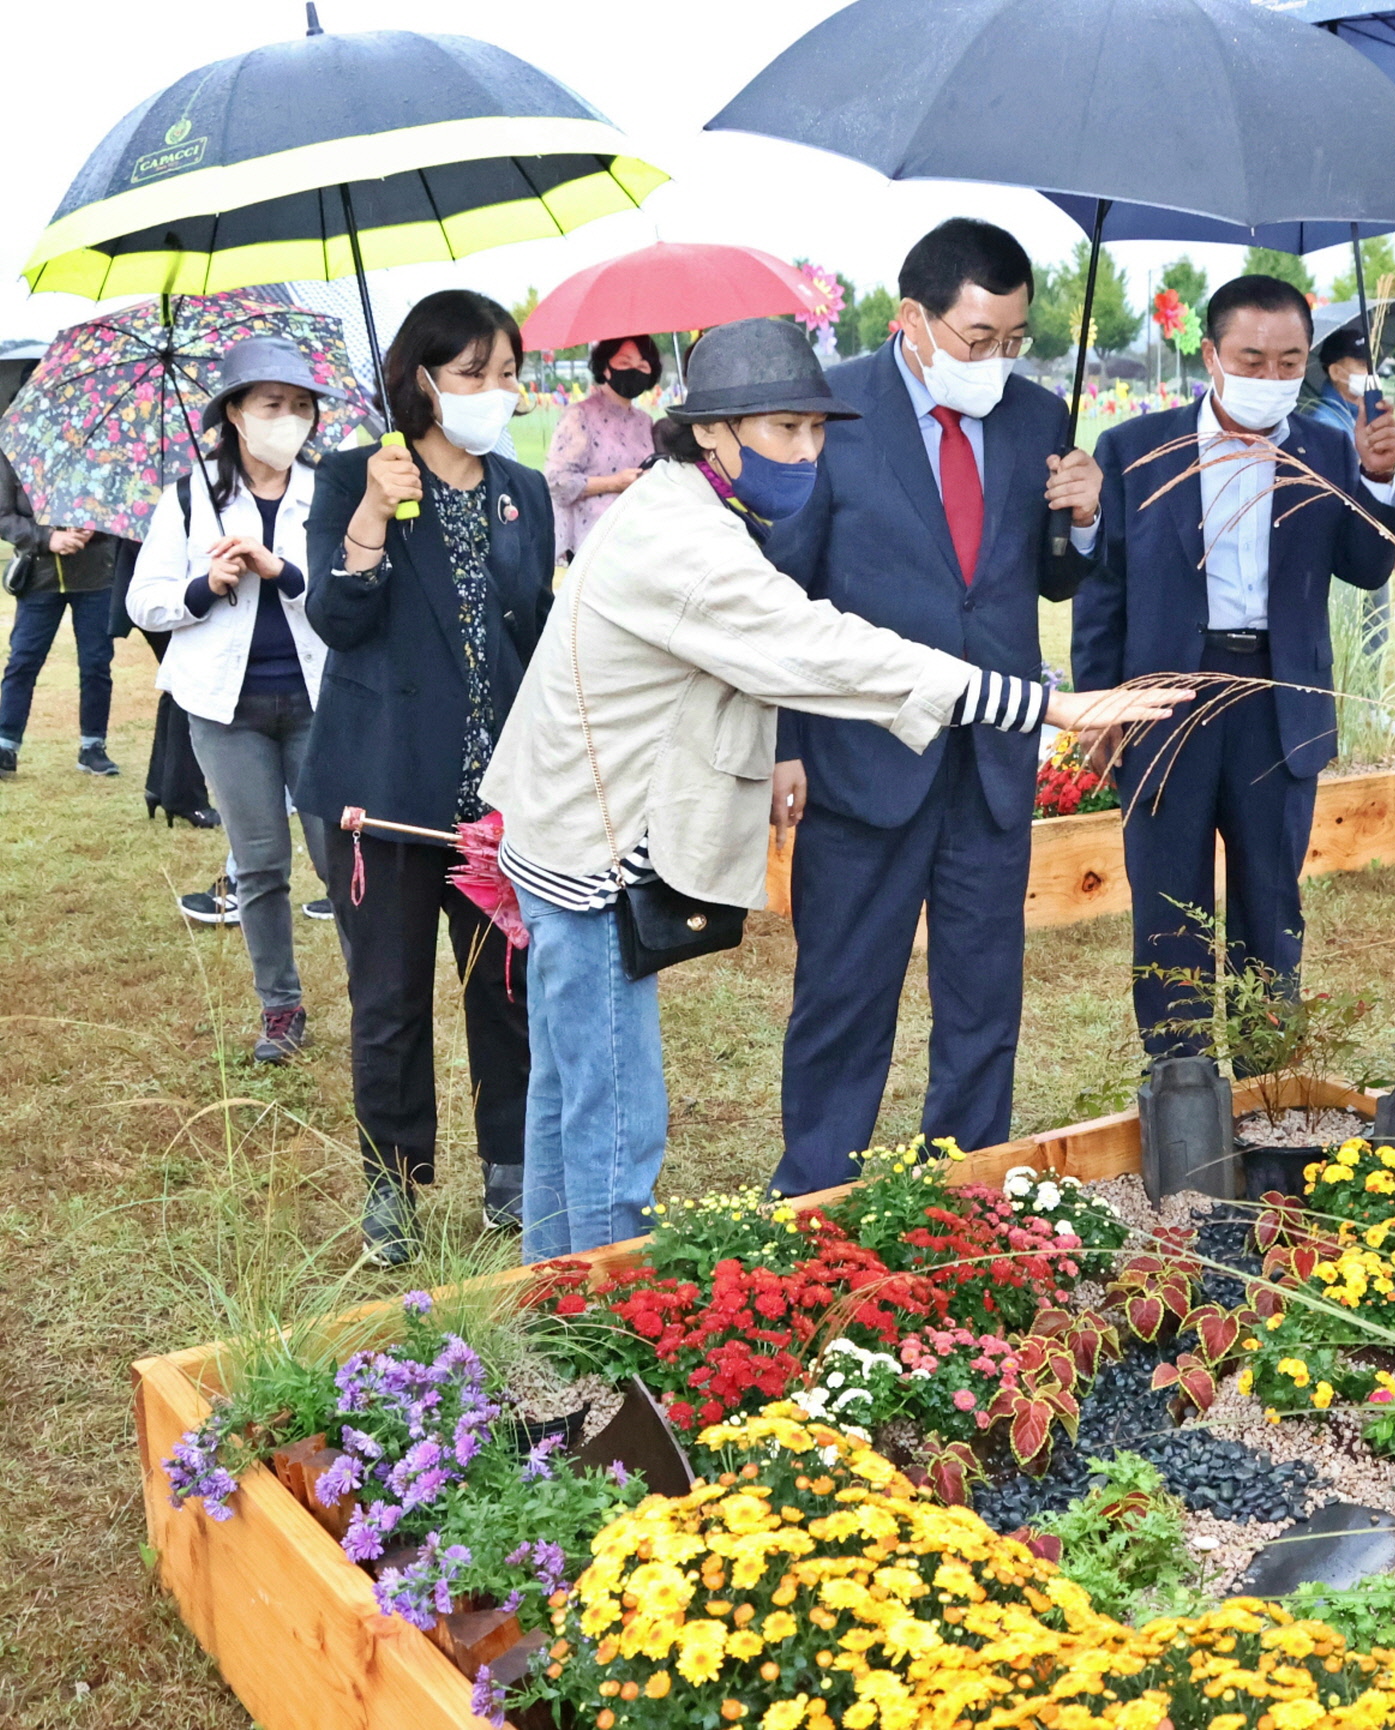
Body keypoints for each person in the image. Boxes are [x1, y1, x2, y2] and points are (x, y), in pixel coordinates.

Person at [483, 320, 1183, 1258]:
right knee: (613, 1115)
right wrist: (1043, 708)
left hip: (574, 831)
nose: (808, 453)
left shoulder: (684, 508)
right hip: (591, 851)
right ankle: (598, 1318)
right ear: (715, 434)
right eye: (784, 432)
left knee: (572, 1093)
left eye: (818, 432)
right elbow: (829, 651)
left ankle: (555, 1287)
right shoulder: (687, 541)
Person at [766, 219, 1102, 1197]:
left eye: (1013, 339)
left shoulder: (1039, 419)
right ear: (913, 319)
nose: (996, 359)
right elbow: (784, 596)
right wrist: (784, 741)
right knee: (843, 994)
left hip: (989, 764)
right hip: (861, 758)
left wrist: (1080, 517)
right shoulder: (831, 415)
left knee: (982, 1000)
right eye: (976, 338)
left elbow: (1044, 579)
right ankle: (815, 1198)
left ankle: (959, 1193)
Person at [1074, 274, 1395, 1057]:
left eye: (1290, 363)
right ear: (1211, 355)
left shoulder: (1328, 446)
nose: (1270, 379)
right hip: (1166, 704)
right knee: (1167, 906)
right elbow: (1104, 589)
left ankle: (1266, 1081)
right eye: (1251, 360)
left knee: (1270, 904)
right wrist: (1098, 703)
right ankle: (1179, 1084)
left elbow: (1366, 567)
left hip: (1276, 702)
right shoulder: (1136, 449)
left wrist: (1380, 480)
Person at [299, 289, 555, 1266]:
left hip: (499, 798)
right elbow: (336, 617)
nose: (498, 392)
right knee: (392, 999)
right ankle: (392, 1183)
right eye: (474, 374)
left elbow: (532, 631)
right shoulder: (352, 478)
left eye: (507, 373)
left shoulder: (524, 491)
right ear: (421, 381)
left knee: (507, 986)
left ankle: (512, 1168)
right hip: (385, 794)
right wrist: (372, 509)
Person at [128, 338, 338, 1063]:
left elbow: (353, 594)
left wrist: (282, 571)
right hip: (225, 710)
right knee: (259, 865)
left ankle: (379, 996)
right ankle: (281, 1009)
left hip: (319, 701)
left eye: (302, 406)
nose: (290, 419)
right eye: (272, 405)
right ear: (235, 415)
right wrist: (203, 588)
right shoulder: (190, 497)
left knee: (339, 858)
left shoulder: (332, 489)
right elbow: (144, 602)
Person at [0, 447, 125, 779]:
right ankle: (5, 745)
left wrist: (93, 529)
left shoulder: (106, 449)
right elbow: (3, 516)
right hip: (39, 577)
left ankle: (93, 747)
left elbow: (125, 506)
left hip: (97, 575)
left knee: (97, 663)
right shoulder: (13, 450)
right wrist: (47, 537)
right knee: (23, 662)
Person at [545, 335, 660, 562]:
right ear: (605, 367)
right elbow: (555, 481)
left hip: (636, 543)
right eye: (624, 363)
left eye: (642, 365)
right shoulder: (579, 416)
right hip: (589, 549)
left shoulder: (645, 421)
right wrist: (614, 482)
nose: (634, 370)